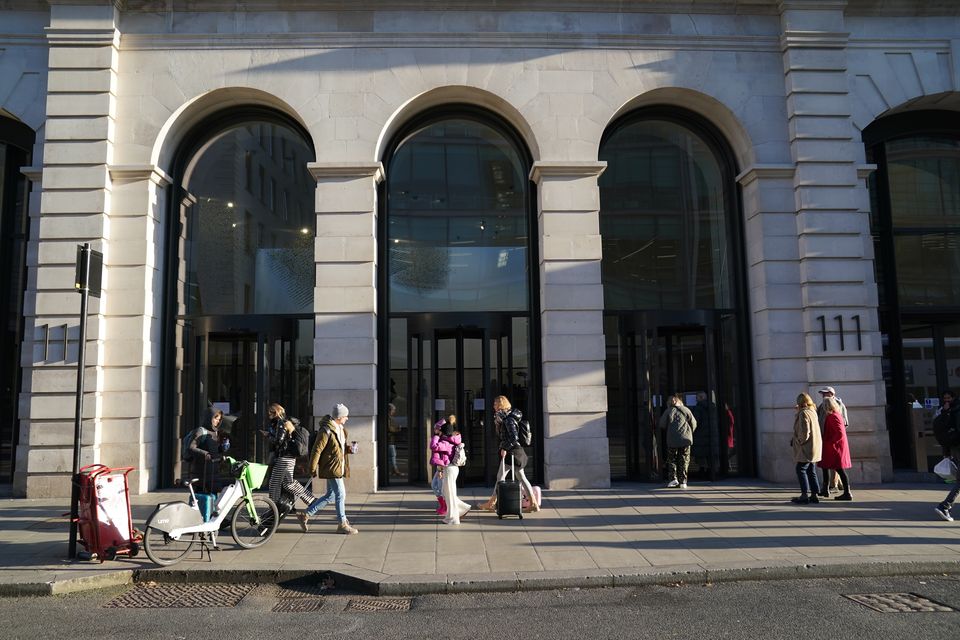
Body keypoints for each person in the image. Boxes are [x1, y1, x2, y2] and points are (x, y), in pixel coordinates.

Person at [263, 403, 323, 531]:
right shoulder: (283, 422)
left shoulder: (280, 423)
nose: (269, 415)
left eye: (271, 413)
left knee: (274, 483)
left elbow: (279, 441)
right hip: (289, 458)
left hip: (284, 458)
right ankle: (311, 499)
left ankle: (273, 509)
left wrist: (268, 436)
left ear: (277, 413)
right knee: (288, 483)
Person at [477, 395, 539, 512]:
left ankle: (491, 503)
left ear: (501, 405)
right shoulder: (504, 418)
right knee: (520, 478)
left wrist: (504, 448)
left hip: (512, 453)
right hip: (515, 452)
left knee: (500, 477)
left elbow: (513, 437)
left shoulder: (508, 419)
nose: (493, 406)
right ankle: (534, 503)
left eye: (495, 404)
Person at [303, 403, 358, 534]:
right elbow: (317, 449)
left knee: (331, 495)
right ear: (339, 416)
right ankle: (342, 524)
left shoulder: (341, 429)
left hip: (338, 465)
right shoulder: (326, 430)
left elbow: (338, 448)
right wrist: (312, 468)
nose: (347, 418)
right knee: (341, 494)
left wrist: (349, 449)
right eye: (346, 416)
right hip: (331, 467)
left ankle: (305, 515)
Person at [430, 415, 471, 525]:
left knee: (450, 494)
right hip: (450, 469)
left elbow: (433, 446)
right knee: (448, 493)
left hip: (450, 469)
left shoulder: (446, 443)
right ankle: (461, 509)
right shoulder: (450, 441)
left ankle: (453, 518)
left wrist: (436, 436)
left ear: (443, 432)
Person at [817, 396, 853, 501]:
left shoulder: (834, 416)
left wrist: (830, 442)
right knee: (825, 466)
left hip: (835, 447)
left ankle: (847, 492)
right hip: (831, 446)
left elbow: (840, 433)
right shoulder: (833, 415)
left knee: (840, 469)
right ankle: (825, 489)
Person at [658, 394, 697, 489]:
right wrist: (689, 432)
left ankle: (673, 479)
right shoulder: (686, 410)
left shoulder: (668, 411)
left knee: (672, 459)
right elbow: (694, 423)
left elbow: (662, 424)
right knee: (684, 459)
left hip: (672, 439)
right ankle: (683, 481)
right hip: (686, 439)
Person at [187, 407, 230, 492]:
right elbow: (191, 448)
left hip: (213, 472)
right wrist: (205, 454)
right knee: (201, 500)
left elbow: (213, 450)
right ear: (210, 418)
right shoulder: (200, 431)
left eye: (219, 419)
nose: (217, 421)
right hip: (201, 473)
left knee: (213, 500)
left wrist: (222, 448)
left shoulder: (215, 432)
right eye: (216, 418)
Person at [791, 392, 822, 504]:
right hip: (814, 446)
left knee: (800, 469)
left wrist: (799, 441)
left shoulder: (804, 413)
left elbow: (805, 432)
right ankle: (814, 494)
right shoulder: (812, 411)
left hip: (806, 447)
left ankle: (804, 495)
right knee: (811, 470)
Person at [430, 418, 447, 515]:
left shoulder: (443, 440)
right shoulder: (439, 439)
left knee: (441, 488)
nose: (434, 431)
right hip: (439, 468)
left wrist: (440, 470)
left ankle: (445, 506)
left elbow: (434, 448)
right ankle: (443, 505)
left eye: (436, 429)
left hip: (442, 468)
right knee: (434, 485)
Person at [387, 403, 402, 477]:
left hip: (391, 440)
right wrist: (397, 429)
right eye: (393, 410)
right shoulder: (387, 418)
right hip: (389, 440)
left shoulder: (389, 417)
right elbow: (389, 428)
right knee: (393, 455)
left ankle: (393, 470)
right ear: (390, 410)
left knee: (392, 456)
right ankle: (395, 470)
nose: (394, 411)